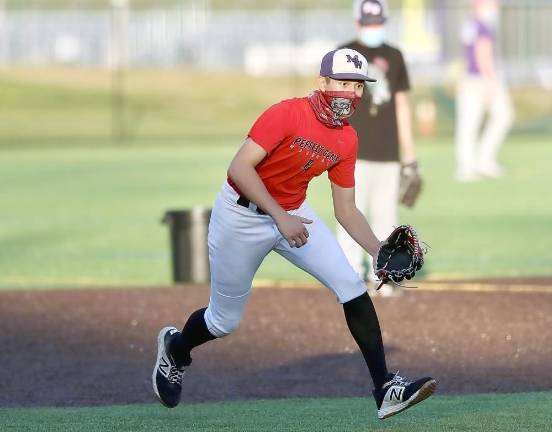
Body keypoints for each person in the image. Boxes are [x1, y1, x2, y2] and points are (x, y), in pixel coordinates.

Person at [152, 48, 436, 420]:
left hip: (294, 214)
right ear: (323, 82)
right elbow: (239, 168)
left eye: (358, 87)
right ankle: (176, 348)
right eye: (344, 83)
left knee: (351, 286)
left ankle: (385, 389)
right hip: (241, 215)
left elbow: (346, 209)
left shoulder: (347, 140)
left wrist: (378, 249)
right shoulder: (287, 113)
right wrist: (278, 217)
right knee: (223, 321)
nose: (351, 93)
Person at [336, 0, 419, 296]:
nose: (373, 29)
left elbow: (402, 107)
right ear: (357, 22)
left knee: (385, 218)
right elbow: (335, 103)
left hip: (387, 152)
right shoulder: (344, 55)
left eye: (378, 23)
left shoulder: (394, 55)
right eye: (368, 23)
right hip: (351, 152)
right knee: (349, 214)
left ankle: (384, 277)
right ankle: (349, 280)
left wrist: (409, 158)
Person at [455, 0, 514, 181]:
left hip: (469, 78)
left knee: (469, 123)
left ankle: (473, 163)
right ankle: (479, 161)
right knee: (503, 115)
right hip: (481, 79)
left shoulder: (469, 24)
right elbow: (483, 55)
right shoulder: (482, 27)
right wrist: (491, 82)